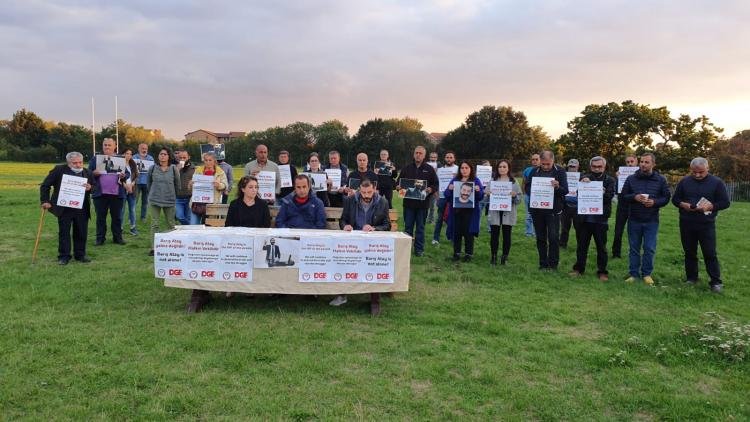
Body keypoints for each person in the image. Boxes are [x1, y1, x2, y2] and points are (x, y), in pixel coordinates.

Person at [189, 175, 271, 313]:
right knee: (232, 253)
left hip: (257, 242)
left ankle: (249, 288)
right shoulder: (235, 204)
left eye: (256, 187)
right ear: (243, 189)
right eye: (251, 187)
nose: (254, 190)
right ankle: (231, 286)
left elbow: (266, 226)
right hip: (237, 241)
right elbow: (229, 226)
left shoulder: (262, 205)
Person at [671, 157, 730, 293]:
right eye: (694, 172)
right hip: (686, 222)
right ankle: (692, 278)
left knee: (709, 252)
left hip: (706, 224)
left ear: (708, 169)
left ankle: (715, 282)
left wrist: (712, 206)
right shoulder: (684, 182)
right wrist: (682, 204)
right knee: (689, 252)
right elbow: (675, 199)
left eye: (701, 172)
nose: (697, 175)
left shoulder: (717, 183)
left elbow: (725, 202)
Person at [330, 179, 392, 307]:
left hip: (372, 242)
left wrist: (374, 229)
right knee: (342, 261)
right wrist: (345, 226)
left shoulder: (383, 202)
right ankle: (342, 294)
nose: (366, 195)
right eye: (363, 192)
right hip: (353, 241)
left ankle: (374, 299)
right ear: (359, 190)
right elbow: (343, 220)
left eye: (369, 192)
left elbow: (387, 225)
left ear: (374, 189)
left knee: (375, 263)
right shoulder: (349, 200)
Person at [620, 153, 671, 285]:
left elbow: (666, 198)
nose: (643, 164)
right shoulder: (631, 179)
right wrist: (634, 197)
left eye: (646, 162)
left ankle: (647, 274)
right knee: (634, 248)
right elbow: (623, 196)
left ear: (653, 164)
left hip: (651, 220)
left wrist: (654, 202)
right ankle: (633, 274)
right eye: (642, 162)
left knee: (649, 248)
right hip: (634, 219)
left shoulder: (660, 180)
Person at [39, 152, 93, 264]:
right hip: (64, 207)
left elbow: (96, 187)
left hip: (82, 207)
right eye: (75, 163)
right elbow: (45, 185)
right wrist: (45, 201)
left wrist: (90, 188)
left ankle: (80, 255)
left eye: (80, 162)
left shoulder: (87, 172)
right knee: (64, 232)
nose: (78, 165)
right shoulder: (59, 170)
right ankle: (64, 256)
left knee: (81, 232)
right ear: (68, 163)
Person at [569, 156, 616, 281]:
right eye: (594, 166)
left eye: (599, 166)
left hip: (600, 219)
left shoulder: (610, 180)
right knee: (582, 246)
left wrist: (601, 192)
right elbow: (579, 194)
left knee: (601, 247)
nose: (596, 169)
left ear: (604, 167)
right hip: (584, 219)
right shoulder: (584, 178)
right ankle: (579, 269)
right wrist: (583, 185)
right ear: (590, 167)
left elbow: (609, 197)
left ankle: (602, 271)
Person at [524, 150, 568, 270]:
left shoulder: (560, 171)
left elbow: (565, 191)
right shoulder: (534, 171)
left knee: (553, 237)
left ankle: (553, 264)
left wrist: (558, 186)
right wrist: (534, 190)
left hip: (553, 211)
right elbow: (527, 187)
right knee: (540, 238)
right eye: (543, 164)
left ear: (553, 161)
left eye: (548, 164)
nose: (545, 166)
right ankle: (543, 263)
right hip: (537, 209)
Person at [397, 146, 438, 257]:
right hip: (409, 204)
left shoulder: (429, 169)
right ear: (413, 154)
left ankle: (419, 249)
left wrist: (430, 189)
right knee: (408, 227)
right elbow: (398, 183)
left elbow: (435, 184)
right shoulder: (406, 168)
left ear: (424, 155)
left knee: (420, 228)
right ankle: (406, 249)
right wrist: (398, 187)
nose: (418, 155)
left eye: (420, 153)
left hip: (422, 205)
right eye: (416, 153)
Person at [89, 137, 129, 245]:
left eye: (109, 145)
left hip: (117, 194)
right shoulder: (96, 158)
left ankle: (118, 238)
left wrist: (123, 175)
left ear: (115, 146)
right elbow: (88, 173)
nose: (107, 147)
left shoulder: (121, 159)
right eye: (105, 145)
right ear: (102, 146)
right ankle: (100, 239)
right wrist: (94, 173)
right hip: (100, 194)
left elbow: (127, 174)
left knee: (117, 218)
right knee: (100, 218)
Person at [444, 161, 484, 262]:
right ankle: (456, 254)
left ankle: (468, 254)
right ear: (459, 169)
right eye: (462, 168)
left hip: (470, 213)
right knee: (456, 233)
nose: (464, 170)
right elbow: (446, 195)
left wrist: (478, 190)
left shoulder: (475, 180)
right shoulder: (455, 180)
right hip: (456, 212)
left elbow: (481, 197)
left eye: (466, 168)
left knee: (469, 234)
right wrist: (449, 189)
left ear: (471, 169)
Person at [486, 159, 521, 265]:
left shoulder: (514, 181)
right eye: (500, 167)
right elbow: (485, 198)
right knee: (494, 235)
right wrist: (487, 194)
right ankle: (494, 257)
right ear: (497, 168)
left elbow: (519, 199)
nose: (502, 169)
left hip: (508, 212)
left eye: (504, 167)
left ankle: (504, 257)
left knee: (507, 235)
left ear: (508, 168)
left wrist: (515, 195)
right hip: (495, 211)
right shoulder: (492, 181)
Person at [146, 147, 180, 255]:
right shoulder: (152, 168)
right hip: (155, 199)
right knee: (154, 224)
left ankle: (172, 246)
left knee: (171, 224)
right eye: (161, 154)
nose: (162, 156)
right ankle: (154, 248)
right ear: (158, 156)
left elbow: (177, 184)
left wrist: (173, 196)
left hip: (169, 200)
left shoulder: (174, 168)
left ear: (169, 156)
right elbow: (148, 184)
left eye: (165, 154)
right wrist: (153, 193)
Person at [189, 151, 228, 225]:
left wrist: (219, 185)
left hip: (212, 204)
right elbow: (193, 185)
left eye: (210, 160)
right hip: (197, 202)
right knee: (193, 225)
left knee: (210, 227)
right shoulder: (198, 170)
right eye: (206, 160)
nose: (208, 162)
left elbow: (225, 185)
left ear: (214, 161)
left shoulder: (220, 172)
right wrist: (191, 184)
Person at [612, 154, 639, 258]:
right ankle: (616, 253)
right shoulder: (621, 174)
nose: (630, 164)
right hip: (622, 206)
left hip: (635, 207)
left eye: (632, 161)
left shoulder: (641, 175)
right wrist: (619, 178)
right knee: (618, 231)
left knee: (634, 232)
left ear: (636, 161)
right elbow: (619, 191)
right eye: (628, 162)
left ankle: (633, 253)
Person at [432, 151, 457, 245]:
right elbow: (435, 183)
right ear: (444, 159)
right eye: (447, 157)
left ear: (454, 159)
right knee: (440, 218)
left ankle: (454, 238)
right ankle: (435, 238)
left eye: (451, 157)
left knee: (454, 218)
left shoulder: (458, 169)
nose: (449, 159)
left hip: (454, 197)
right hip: (442, 197)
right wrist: (436, 195)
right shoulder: (440, 170)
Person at [560, 158, 580, 248]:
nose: (572, 168)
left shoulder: (582, 177)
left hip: (578, 207)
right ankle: (562, 245)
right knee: (564, 228)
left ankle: (581, 245)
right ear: (568, 167)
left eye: (574, 166)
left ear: (578, 167)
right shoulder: (563, 176)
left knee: (579, 228)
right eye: (570, 166)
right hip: (565, 206)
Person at [120, 148, 139, 235]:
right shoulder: (119, 164)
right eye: (127, 153)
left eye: (130, 154)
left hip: (132, 190)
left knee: (132, 209)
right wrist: (125, 186)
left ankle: (133, 228)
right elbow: (117, 177)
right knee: (122, 210)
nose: (128, 155)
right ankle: (120, 228)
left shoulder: (133, 164)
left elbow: (136, 176)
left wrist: (132, 184)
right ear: (123, 154)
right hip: (122, 190)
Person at [174, 149, 195, 225]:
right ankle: (190, 226)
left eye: (184, 157)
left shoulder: (194, 168)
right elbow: (170, 179)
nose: (182, 159)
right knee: (179, 216)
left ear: (188, 157)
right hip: (178, 197)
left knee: (188, 217)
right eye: (180, 158)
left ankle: (187, 233)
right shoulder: (174, 168)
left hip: (190, 197)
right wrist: (177, 170)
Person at [522, 153, 541, 237]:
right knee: (529, 215)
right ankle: (529, 232)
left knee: (539, 215)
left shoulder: (543, 169)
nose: (535, 161)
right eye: (533, 159)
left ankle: (538, 233)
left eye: (537, 159)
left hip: (540, 196)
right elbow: (524, 182)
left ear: (540, 160)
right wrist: (524, 193)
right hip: (528, 196)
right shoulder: (527, 170)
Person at [134, 143, 154, 222]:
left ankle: (143, 217)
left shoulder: (150, 158)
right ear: (138, 149)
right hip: (137, 182)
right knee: (134, 201)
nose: (144, 150)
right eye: (142, 148)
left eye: (145, 148)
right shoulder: (134, 157)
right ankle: (132, 217)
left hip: (147, 183)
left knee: (145, 202)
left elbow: (152, 170)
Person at [426, 152, 439, 223]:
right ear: (429, 157)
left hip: (434, 188)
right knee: (425, 205)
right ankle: (425, 219)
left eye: (434, 157)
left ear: (437, 158)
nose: (433, 158)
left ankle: (431, 220)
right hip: (426, 187)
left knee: (433, 206)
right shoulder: (426, 164)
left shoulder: (439, 166)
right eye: (432, 157)